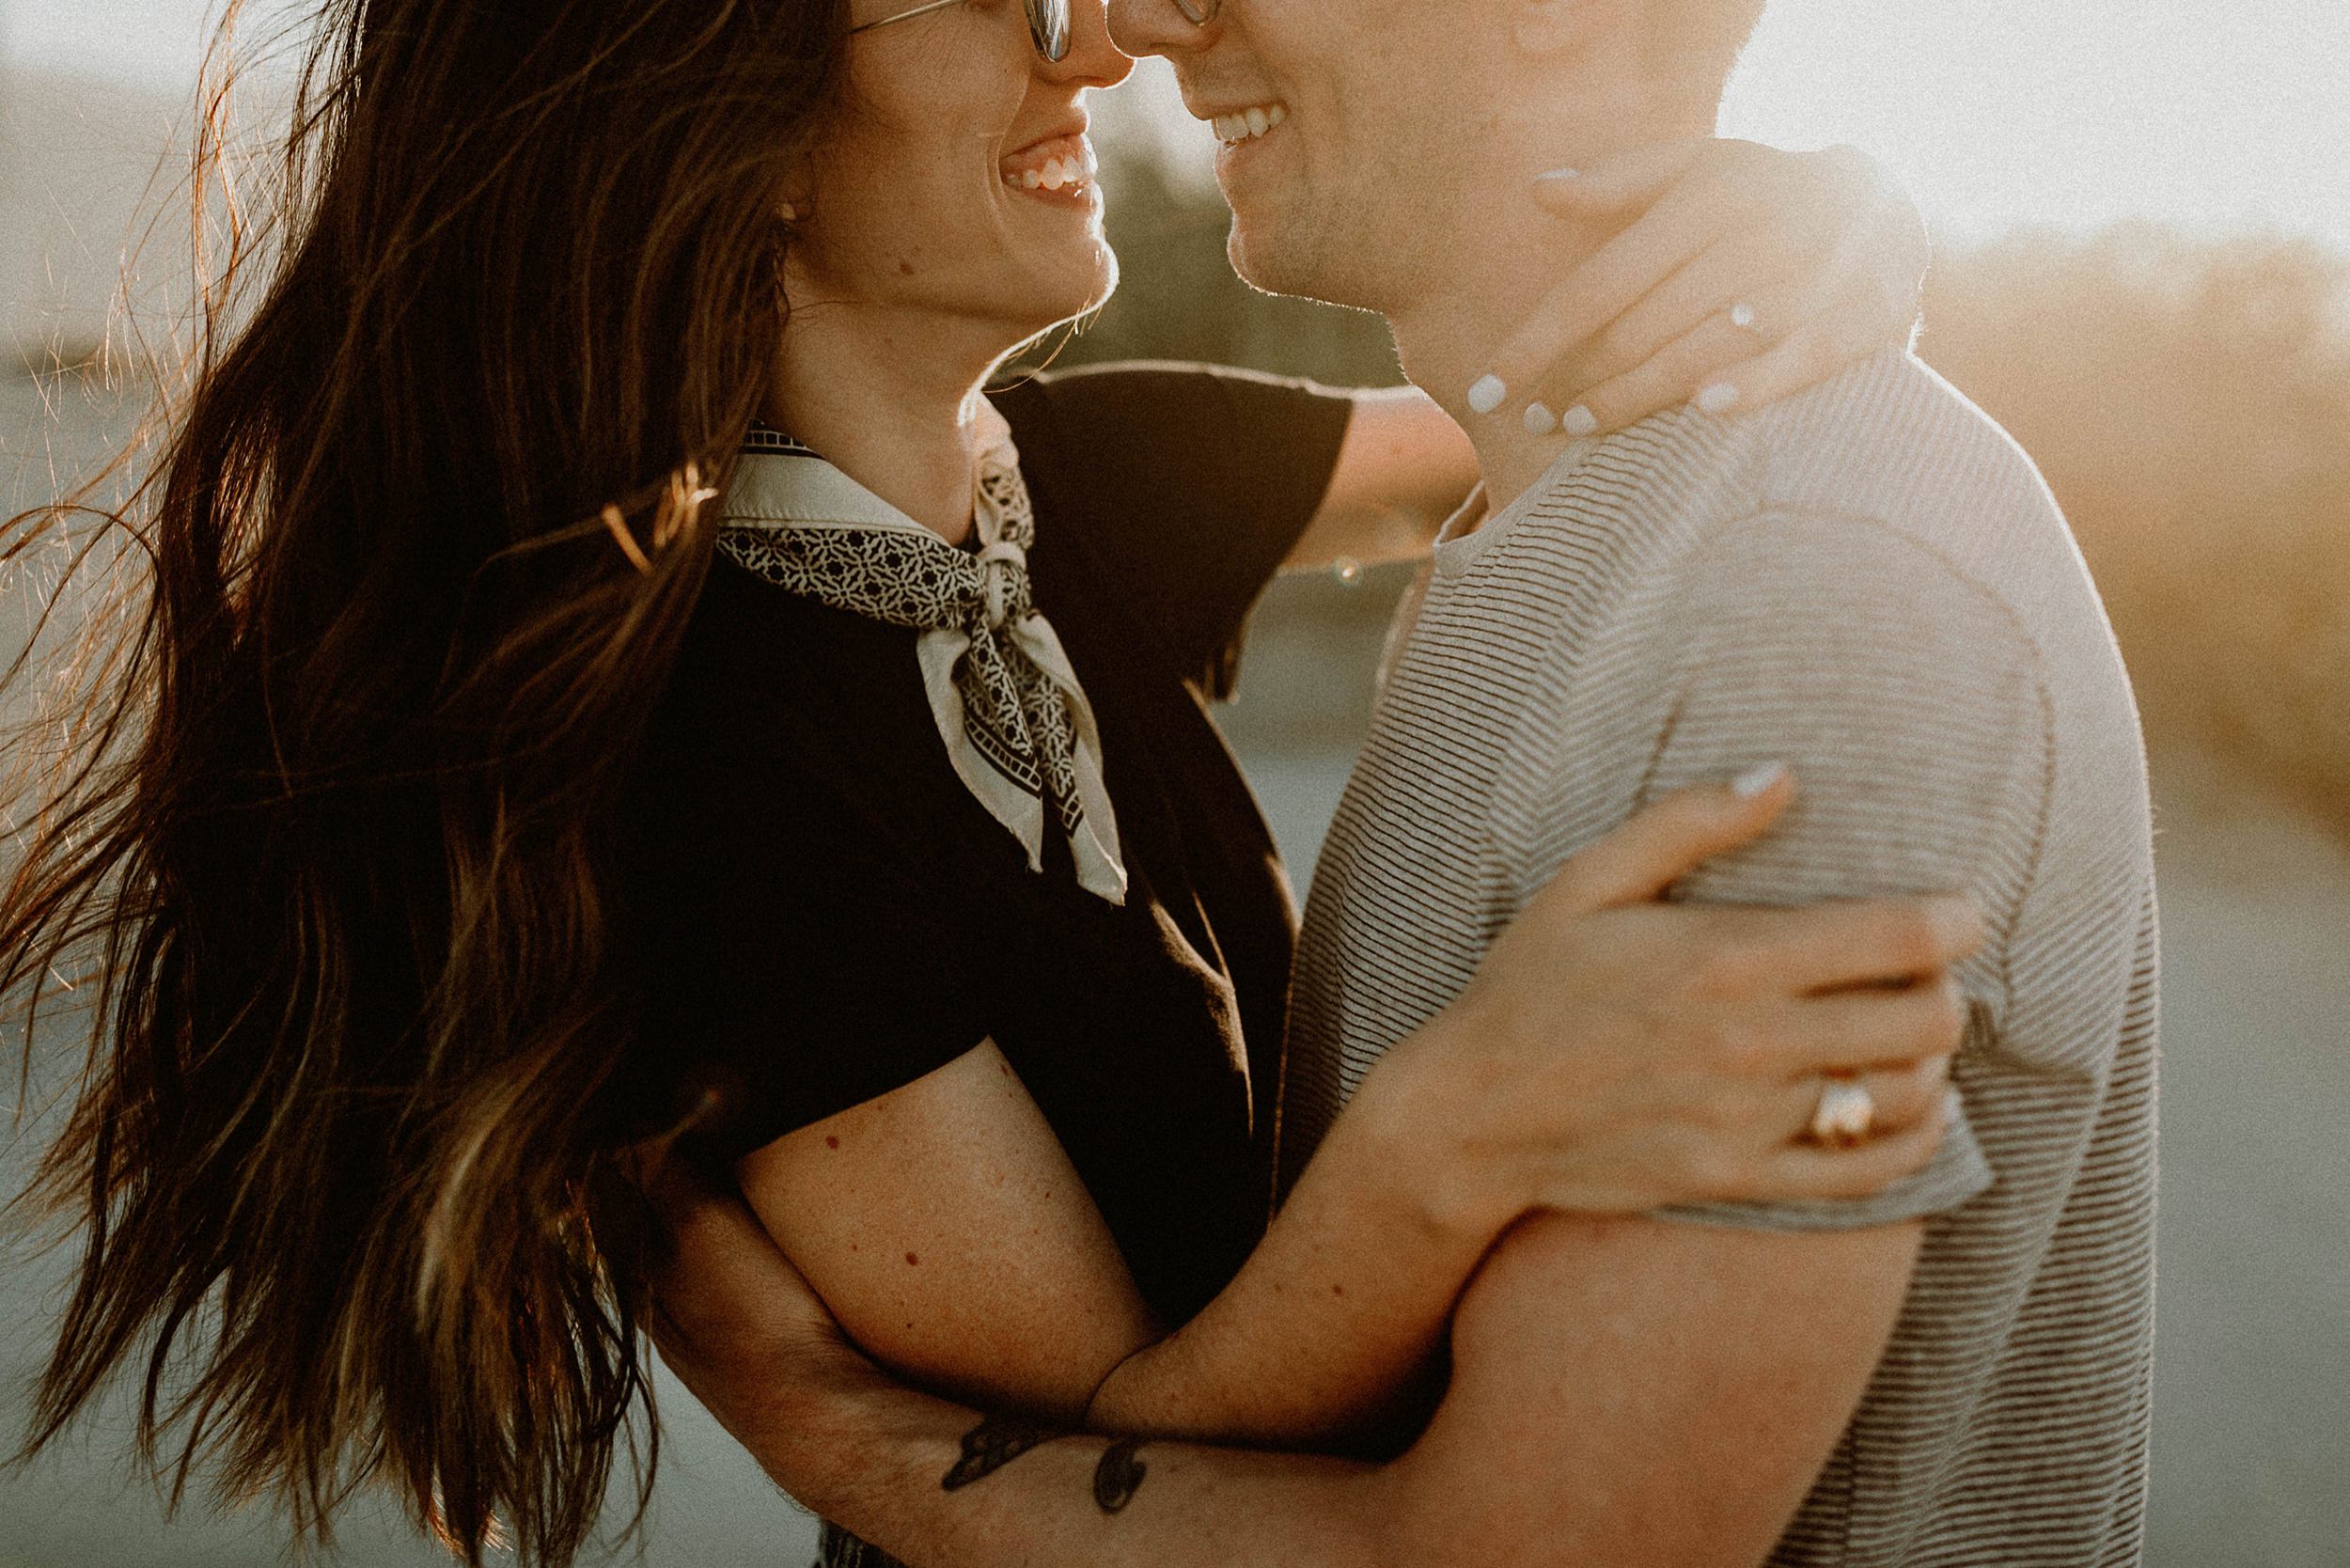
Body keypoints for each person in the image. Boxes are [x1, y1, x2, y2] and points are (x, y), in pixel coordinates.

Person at [3, 1, 1965, 1565]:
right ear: (736, 129)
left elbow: (1575, 381)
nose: (1093, 46)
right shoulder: (715, 769)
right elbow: (1126, 1441)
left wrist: (1840, 217)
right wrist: (1459, 1129)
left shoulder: (1064, 479)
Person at [655, 0, 2160, 1564]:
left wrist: (1849, 219)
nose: (1125, 32)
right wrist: (1440, 1144)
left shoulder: (1801, 610)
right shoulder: (723, 732)